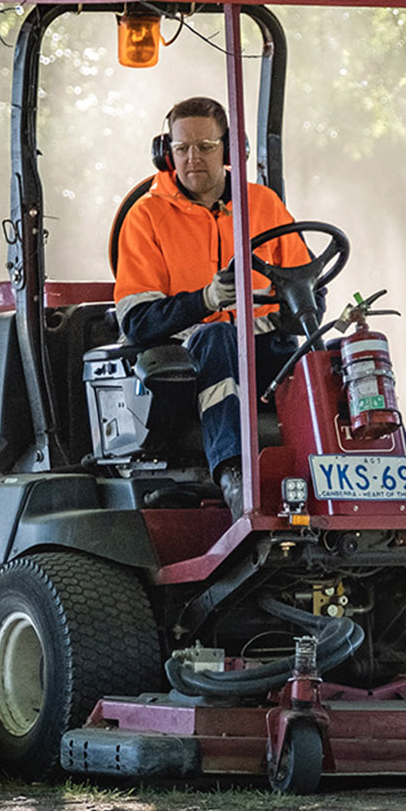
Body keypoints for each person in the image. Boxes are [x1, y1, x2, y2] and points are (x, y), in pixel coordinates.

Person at [112, 96, 311, 517]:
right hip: (181, 366)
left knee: (330, 355)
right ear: (166, 152)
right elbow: (137, 321)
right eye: (181, 148)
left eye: (204, 147)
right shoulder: (146, 217)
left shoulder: (264, 206)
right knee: (219, 337)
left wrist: (293, 312)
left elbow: (306, 286)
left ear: (230, 150)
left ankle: (380, 474)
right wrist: (205, 301)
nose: (191, 159)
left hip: (264, 350)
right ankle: (236, 477)